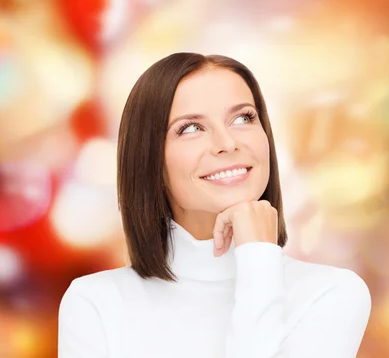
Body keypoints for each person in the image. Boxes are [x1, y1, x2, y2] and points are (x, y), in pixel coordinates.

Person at [58, 52, 371, 357]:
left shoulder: (331, 293)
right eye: (191, 128)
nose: (227, 143)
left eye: (243, 118)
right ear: (149, 158)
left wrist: (258, 259)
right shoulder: (95, 304)